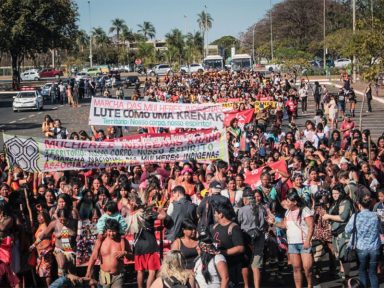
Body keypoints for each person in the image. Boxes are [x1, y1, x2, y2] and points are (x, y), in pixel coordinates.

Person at [268, 190, 314, 288]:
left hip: (303, 243)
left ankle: (310, 285)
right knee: (296, 268)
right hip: (292, 244)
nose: (286, 203)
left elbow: (311, 226)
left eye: (288, 201)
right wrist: (274, 222)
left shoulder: (305, 210)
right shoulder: (288, 212)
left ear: (295, 202)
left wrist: (307, 241)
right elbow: (284, 225)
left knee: (307, 267)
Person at [345, 194, 381, 288]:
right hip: (375, 248)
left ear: (359, 205)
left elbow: (347, 230)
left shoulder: (355, 216)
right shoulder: (376, 216)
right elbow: (380, 229)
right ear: (370, 205)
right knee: (373, 273)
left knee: (362, 271)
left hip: (361, 248)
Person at [30, 208, 77, 276]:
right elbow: (44, 234)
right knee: (62, 265)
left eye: (64, 220)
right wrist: (34, 245)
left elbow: (77, 234)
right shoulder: (54, 223)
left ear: (68, 217)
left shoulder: (73, 222)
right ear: (58, 217)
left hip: (70, 249)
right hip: (59, 249)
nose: (63, 222)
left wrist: (69, 233)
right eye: (61, 219)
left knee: (72, 270)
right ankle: (61, 283)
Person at [86, 219, 131, 288]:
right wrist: (88, 271)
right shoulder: (100, 241)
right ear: (106, 231)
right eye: (109, 231)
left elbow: (132, 257)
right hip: (104, 275)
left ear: (117, 230)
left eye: (114, 231)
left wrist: (125, 253)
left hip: (118, 276)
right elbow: (93, 257)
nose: (112, 233)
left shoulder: (122, 241)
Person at [237, 187, 267, 288]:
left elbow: (238, 224)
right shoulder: (261, 208)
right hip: (259, 238)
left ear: (245, 199)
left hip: (246, 239)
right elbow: (263, 225)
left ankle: (246, 286)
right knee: (256, 265)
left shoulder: (241, 210)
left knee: (245, 264)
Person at [211, 196, 244, 287]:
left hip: (232, 265)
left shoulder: (233, 228)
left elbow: (240, 248)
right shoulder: (215, 227)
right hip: (218, 265)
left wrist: (224, 252)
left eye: (215, 213)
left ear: (221, 214)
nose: (214, 215)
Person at [170, 220, 198, 287]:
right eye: (190, 229)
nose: (193, 231)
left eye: (194, 229)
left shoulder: (198, 242)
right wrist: (186, 271)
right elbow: (173, 262)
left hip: (197, 272)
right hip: (183, 272)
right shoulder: (178, 242)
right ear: (183, 230)